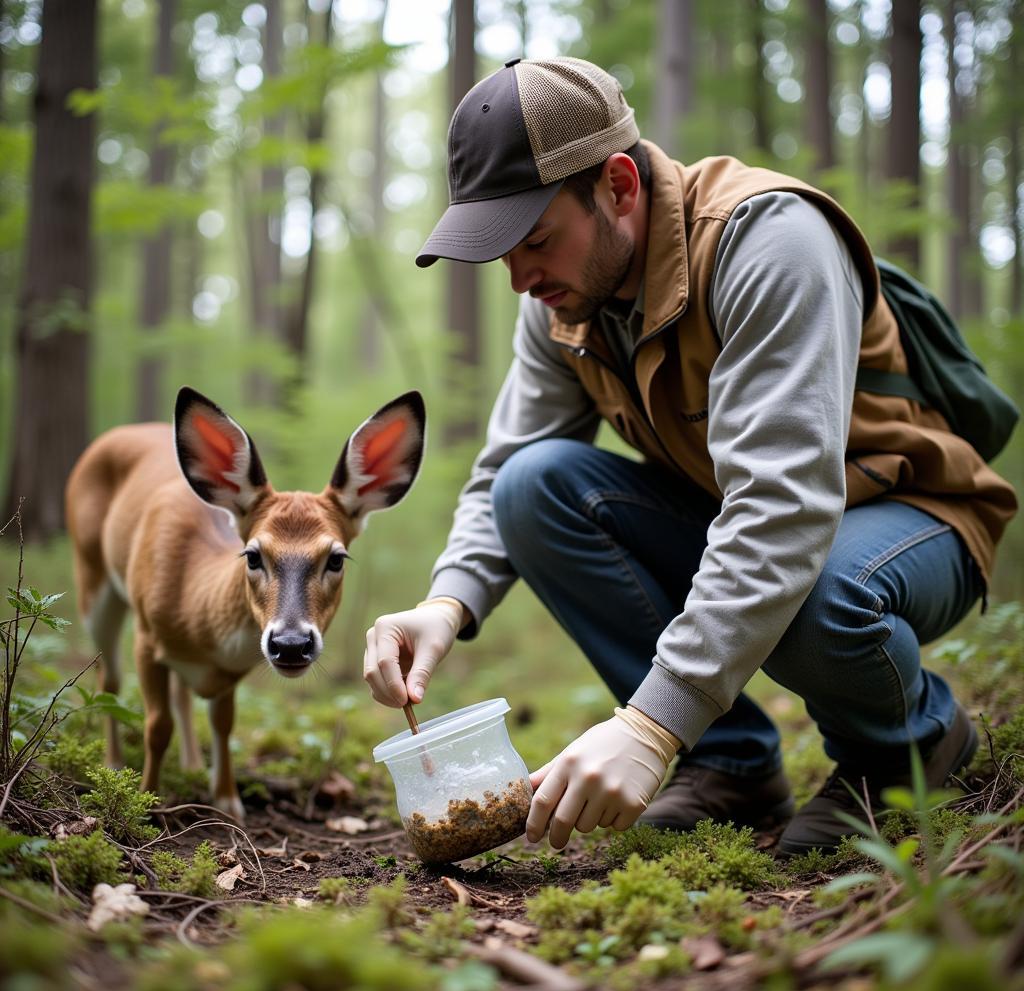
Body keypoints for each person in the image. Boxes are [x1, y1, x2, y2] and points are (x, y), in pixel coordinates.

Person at [362, 57, 1017, 856]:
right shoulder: (563, 303)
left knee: (818, 595)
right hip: (755, 519)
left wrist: (651, 722)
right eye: (497, 252)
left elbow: (784, 512)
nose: (519, 279)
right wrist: (446, 603)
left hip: (915, 513)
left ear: (620, 187)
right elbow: (510, 465)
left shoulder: (771, 242)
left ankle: (906, 750)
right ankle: (731, 767)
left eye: (534, 239)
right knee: (536, 487)